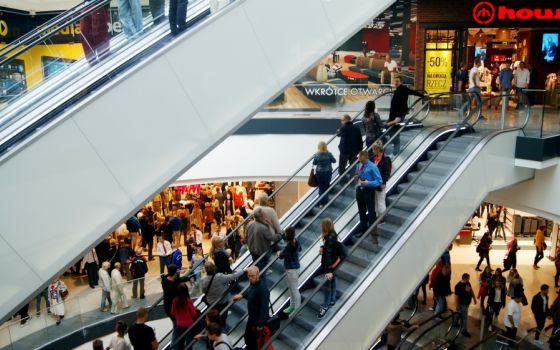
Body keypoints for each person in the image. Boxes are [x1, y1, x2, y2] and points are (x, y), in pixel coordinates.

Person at [385, 76, 425, 155]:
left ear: (401, 82)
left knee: (393, 132)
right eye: (395, 81)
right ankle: (395, 150)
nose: (396, 83)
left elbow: (400, 104)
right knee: (393, 132)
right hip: (395, 114)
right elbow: (413, 92)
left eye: (397, 81)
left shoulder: (401, 90)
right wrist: (422, 95)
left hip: (397, 115)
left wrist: (397, 117)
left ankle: (395, 152)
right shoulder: (401, 89)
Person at [233, 266, 270, 350]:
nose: (250, 278)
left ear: (258, 275)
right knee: (248, 339)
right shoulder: (253, 284)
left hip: (256, 322)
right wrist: (242, 295)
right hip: (252, 319)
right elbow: (251, 294)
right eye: (249, 276)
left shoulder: (262, 289)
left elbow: (264, 308)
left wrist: (260, 324)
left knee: (252, 341)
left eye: (252, 276)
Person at [245, 207, 282, 284]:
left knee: (257, 268)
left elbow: (246, 237)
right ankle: (262, 286)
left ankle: (256, 283)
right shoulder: (263, 228)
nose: (265, 214)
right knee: (262, 272)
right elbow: (272, 238)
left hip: (253, 251)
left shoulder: (249, 224)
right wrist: (280, 234)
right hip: (262, 253)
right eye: (263, 213)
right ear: (261, 215)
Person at [354, 150, 383, 240]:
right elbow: (357, 174)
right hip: (360, 190)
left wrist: (368, 183)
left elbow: (379, 181)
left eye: (360, 158)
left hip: (368, 191)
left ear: (365, 157)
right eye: (359, 158)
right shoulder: (359, 165)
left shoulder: (373, 167)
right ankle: (364, 230)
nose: (359, 160)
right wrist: (356, 177)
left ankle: (373, 233)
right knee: (361, 211)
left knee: (371, 212)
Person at [318, 218, 340, 319]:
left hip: (329, 266)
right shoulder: (333, 234)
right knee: (333, 281)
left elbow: (328, 255)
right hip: (333, 263)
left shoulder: (330, 238)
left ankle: (326, 305)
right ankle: (332, 299)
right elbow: (329, 249)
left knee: (327, 286)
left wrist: (329, 271)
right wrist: (323, 246)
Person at [277, 226, 301, 316]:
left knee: (294, 289)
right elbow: (300, 249)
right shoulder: (296, 241)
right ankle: (292, 305)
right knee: (291, 288)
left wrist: (279, 253)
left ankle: (297, 308)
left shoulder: (289, 247)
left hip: (291, 270)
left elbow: (281, 256)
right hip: (296, 268)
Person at [80, 1, 110, 65]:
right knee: (87, 35)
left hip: (97, 5)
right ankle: (94, 63)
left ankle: (101, 62)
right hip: (90, 5)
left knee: (99, 34)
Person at [171, 284, 198, 350]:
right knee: (189, 343)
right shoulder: (188, 301)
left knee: (180, 343)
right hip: (189, 325)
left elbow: (173, 314)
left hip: (179, 325)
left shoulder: (175, 301)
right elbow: (194, 314)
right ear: (186, 291)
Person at [313, 141, 337, 207]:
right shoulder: (329, 154)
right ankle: (326, 202)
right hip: (328, 172)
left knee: (321, 188)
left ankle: (321, 203)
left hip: (319, 173)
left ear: (319, 147)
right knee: (326, 187)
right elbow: (334, 161)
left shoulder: (316, 155)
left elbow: (314, 163)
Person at [454, 273, 476, 337]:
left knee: (458, 314)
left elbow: (471, 291)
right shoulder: (458, 286)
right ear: (465, 278)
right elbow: (456, 296)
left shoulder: (468, 283)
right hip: (461, 304)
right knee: (464, 318)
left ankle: (454, 323)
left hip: (466, 304)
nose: (469, 279)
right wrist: (457, 305)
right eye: (468, 278)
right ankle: (464, 331)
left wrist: (474, 298)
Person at [372, 141, 390, 218]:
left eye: (374, 149)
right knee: (375, 201)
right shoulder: (373, 158)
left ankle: (382, 218)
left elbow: (386, 172)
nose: (372, 151)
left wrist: (383, 183)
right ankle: (376, 217)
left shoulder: (385, 159)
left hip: (380, 184)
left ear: (378, 150)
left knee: (380, 202)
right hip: (373, 183)